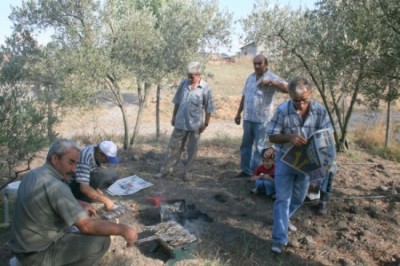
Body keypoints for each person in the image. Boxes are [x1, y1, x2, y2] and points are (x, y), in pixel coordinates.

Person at [8, 139, 138, 266]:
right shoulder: (57, 186)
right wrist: (123, 229)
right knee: (101, 242)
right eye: (70, 162)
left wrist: (77, 202)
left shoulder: (34, 174)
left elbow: (46, 198)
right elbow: (86, 226)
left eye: (76, 164)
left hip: (22, 248)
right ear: (54, 159)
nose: (74, 169)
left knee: (72, 227)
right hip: (38, 255)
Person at [266, 76, 334, 254]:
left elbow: (327, 138)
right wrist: (289, 137)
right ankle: (279, 239)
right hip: (285, 161)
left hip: (306, 165)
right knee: (282, 198)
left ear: (310, 94)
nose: (301, 106)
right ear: (289, 96)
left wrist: (319, 173)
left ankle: (285, 218)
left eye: (304, 101)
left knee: (298, 198)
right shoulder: (282, 110)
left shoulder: (320, 111)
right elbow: (272, 136)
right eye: (296, 102)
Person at [154, 61, 215, 181]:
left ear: (198, 74)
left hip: (195, 125)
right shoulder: (183, 84)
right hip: (180, 123)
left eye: (191, 76)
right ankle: (165, 171)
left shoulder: (205, 88)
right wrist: (173, 116)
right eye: (188, 75)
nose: (189, 78)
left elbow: (209, 108)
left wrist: (206, 123)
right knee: (173, 148)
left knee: (192, 151)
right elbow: (177, 101)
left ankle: (187, 173)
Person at [234, 54, 288, 178]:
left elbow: (287, 88)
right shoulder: (250, 78)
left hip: (262, 121)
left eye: (260, 63)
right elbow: (245, 96)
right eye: (255, 64)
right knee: (245, 146)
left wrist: (271, 82)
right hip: (248, 118)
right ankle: (245, 170)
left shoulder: (272, 77)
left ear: (266, 64)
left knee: (260, 148)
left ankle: (256, 173)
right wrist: (238, 113)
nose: (257, 66)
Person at [69, 140, 119, 210]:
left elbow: (92, 172)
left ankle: (91, 193)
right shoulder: (85, 158)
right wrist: (105, 199)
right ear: (100, 153)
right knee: (103, 174)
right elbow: (83, 187)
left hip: (83, 178)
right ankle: (82, 200)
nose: (107, 161)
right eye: (106, 159)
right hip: (72, 184)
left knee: (112, 174)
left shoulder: (96, 152)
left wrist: (97, 190)